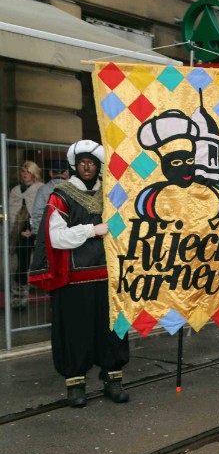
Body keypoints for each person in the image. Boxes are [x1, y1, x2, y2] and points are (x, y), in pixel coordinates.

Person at [29, 140, 130, 408]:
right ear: (75, 165)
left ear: (98, 166)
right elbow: (55, 237)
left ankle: (113, 378)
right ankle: (75, 383)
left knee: (112, 331)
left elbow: (124, 226)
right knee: (75, 332)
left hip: (109, 277)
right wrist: (91, 230)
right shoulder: (61, 194)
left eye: (92, 162)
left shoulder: (110, 194)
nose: (87, 166)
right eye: (83, 161)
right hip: (74, 280)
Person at [8, 161, 44, 310]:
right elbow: (12, 212)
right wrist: (20, 230)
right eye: (23, 171)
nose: (24, 174)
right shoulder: (16, 190)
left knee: (42, 263)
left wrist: (33, 230)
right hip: (20, 232)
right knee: (21, 265)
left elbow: (41, 211)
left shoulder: (40, 189)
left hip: (38, 232)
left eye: (28, 172)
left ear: (34, 173)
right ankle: (19, 298)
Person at [30, 159, 70, 236]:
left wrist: (37, 233)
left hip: (48, 232)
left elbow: (37, 212)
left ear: (51, 173)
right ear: (66, 173)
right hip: (70, 233)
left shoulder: (43, 189)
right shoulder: (75, 189)